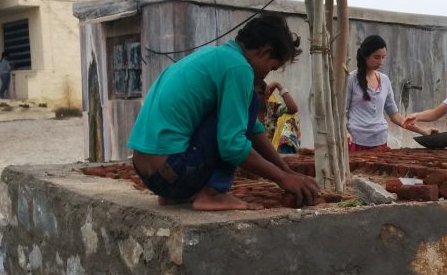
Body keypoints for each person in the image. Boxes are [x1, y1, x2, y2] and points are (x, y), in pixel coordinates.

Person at [127, 13, 321, 211]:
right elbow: (232, 145)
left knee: (240, 112)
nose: (265, 75)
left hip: (149, 174)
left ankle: (174, 195)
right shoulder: (239, 68)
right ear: (264, 51)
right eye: (271, 68)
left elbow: (252, 128)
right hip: (175, 170)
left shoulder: (211, 57)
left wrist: (287, 171)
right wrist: (283, 179)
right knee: (250, 105)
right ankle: (213, 193)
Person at [345, 35, 407, 151]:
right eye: (377, 57)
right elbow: (341, 111)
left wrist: (423, 131)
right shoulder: (351, 79)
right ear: (365, 56)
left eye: (383, 57)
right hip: (356, 141)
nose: (381, 62)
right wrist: (344, 132)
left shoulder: (385, 80)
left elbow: (394, 115)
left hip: (380, 141)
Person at [256, 79, 302, 154]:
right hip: (253, 153)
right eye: (253, 93)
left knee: (291, 118)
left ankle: (286, 154)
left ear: (266, 94)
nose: (257, 97)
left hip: (274, 152)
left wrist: (278, 86)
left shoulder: (272, 108)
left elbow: (293, 109)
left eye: (260, 93)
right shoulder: (244, 111)